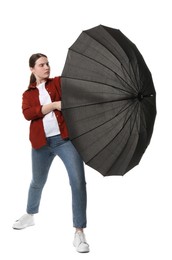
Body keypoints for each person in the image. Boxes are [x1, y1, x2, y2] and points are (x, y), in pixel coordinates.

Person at [13, 53, 89, 253]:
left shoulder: (58, 83)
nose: (46, 67)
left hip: (64, 140)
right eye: (41, 64)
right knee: (37, 181)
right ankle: (30, 214)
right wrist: (54, 105)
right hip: (41, 143)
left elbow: (76, 85)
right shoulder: (27, 94)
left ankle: (79, 232)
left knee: (78, 181)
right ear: (32, 69)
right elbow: (28, 114)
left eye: (47, 63)